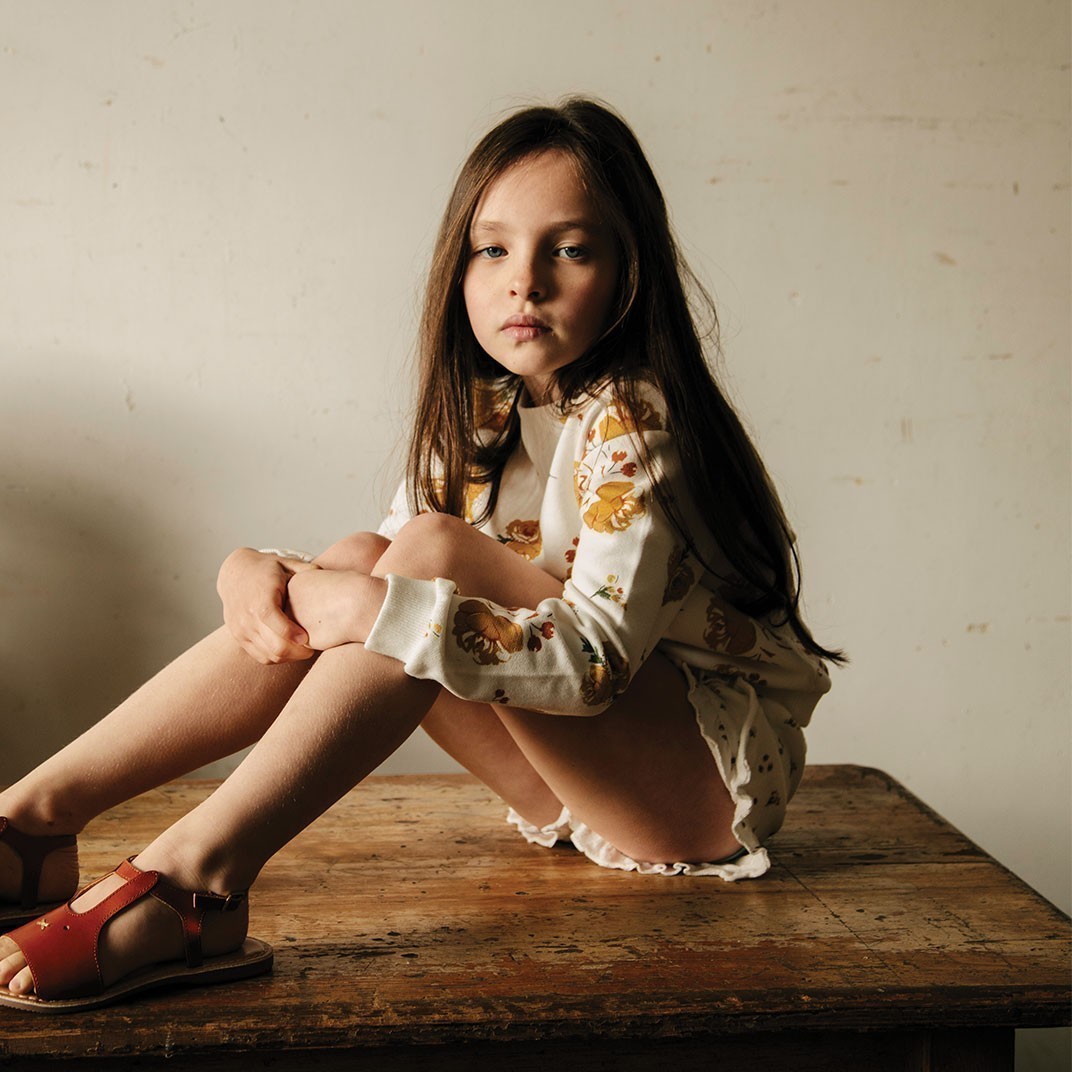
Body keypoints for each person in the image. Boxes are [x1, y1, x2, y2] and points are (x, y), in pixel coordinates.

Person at [0, 97, 840, 1011]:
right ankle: (33, 819)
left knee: (423, 557)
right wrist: (258, 570)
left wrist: (370, 597)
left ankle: (198, 874)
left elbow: (595, 666)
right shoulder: (484, 414)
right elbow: (383, 573)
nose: (525, 283)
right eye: (494, 250)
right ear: (459, 268)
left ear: (628, 274)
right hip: (560, 782)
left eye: (569, 249)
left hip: (693, 795)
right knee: (376, 552)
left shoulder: (639, 421)